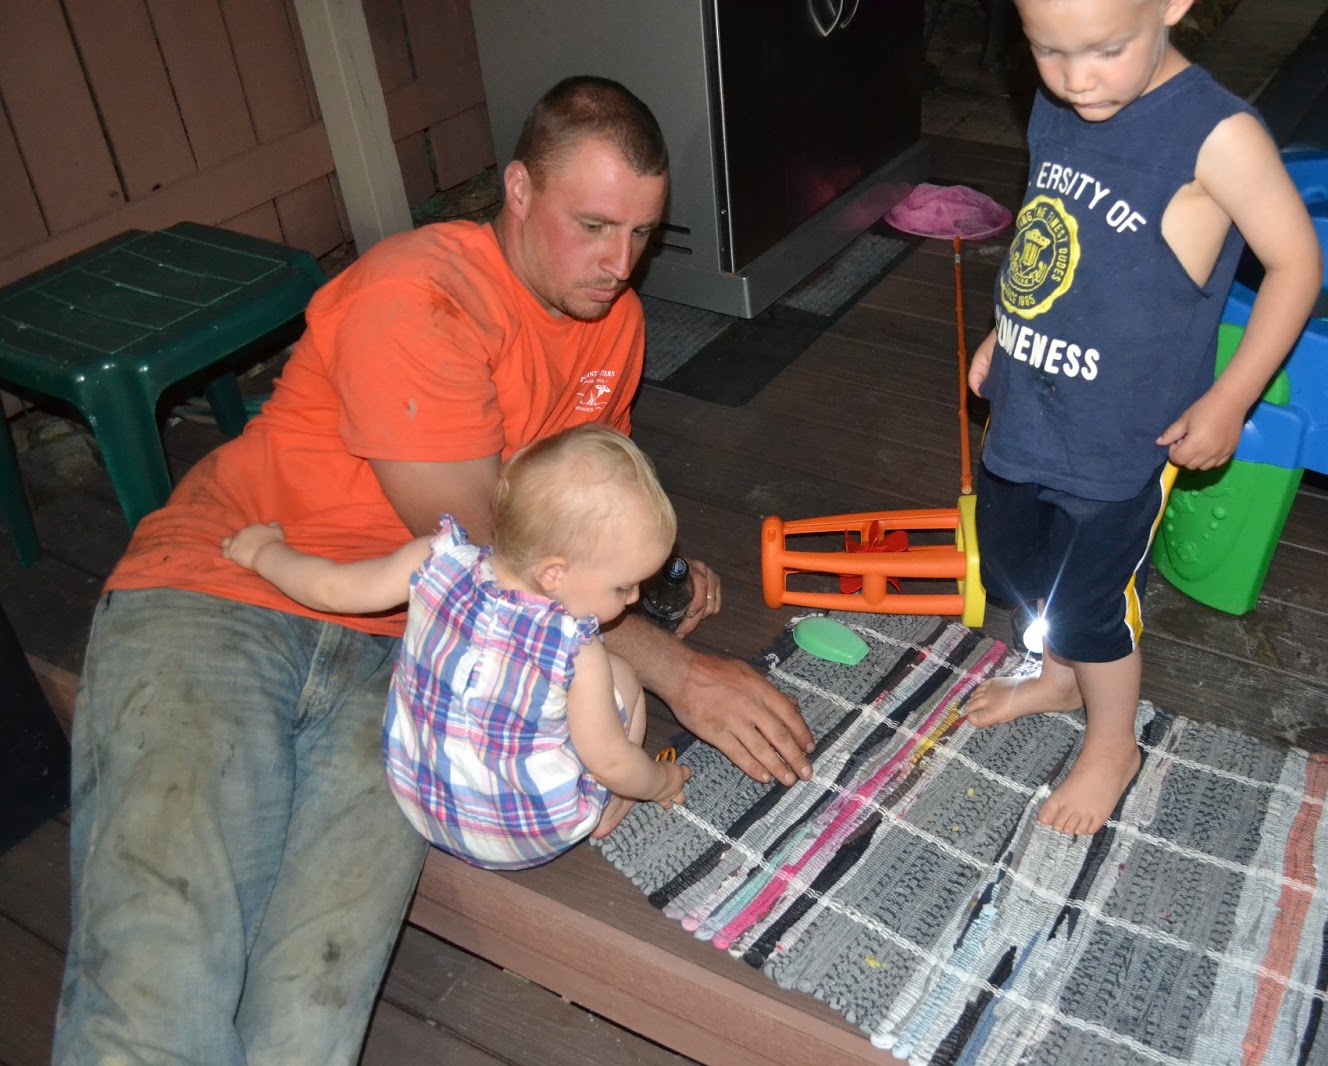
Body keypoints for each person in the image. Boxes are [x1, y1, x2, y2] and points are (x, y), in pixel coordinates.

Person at [53, 75, 813, 1065]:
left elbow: (567, 517)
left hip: (418, 662)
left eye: (640, 235)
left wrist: (642, 568)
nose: (617, 264)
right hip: (227, 589)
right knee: (155, 978)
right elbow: (497, 555)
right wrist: (679, 671)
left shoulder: (613, 322)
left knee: (309, 1009)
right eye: (592, 227)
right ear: (518, 190)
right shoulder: (419, 294)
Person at [962, 0, 1322, 835]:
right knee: (1020, 562)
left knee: (1094, 599)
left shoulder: (1217, 137)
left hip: (1124, 434)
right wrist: (1005, 328)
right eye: (1047, 51)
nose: (1075, 78)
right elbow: (1054, 237)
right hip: (1029, 403)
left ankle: (1112, 742)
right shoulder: (1058, 102)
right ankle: (1060, 678)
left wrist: (1230, 396)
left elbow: (1296, 262)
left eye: (1105, 50)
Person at [221, 424, 694, 870]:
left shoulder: (434, 561)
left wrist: (263, 553)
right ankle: (612, 802)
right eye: (622, 587)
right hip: (526, 833)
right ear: (553, 573)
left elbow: (331, 589)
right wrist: (660, 781)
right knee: (622, 676)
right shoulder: (576, 653)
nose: (633, 598)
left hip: (418, 797)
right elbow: (609, 759)